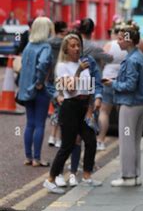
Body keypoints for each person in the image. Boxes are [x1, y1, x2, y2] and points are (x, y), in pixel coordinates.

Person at [43, 33, 103, 194]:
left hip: (83, 107)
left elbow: (88, 88)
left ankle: (87, 176)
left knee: (91, 141)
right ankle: (50, 179)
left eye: (78, 45)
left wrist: (90, 108)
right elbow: (69, 89)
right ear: (66, 49)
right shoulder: (62, 66)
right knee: (67, 146)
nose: (77, 48)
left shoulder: (84, 64)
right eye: (73, 46)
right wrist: (77, 71)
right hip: (70, 107)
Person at [102, 25, 143, 187]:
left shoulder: (131, 59)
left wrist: (112, 84)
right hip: (139, 103)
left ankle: (128, 177)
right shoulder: (138, 56)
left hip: (130, 104)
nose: (118, 41)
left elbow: (129, 85)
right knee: (134, 141)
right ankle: (135, 175)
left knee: (127, 141)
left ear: (128, 41)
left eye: (121, 39)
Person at [17, 17, 55, 167]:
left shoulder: (28, 46)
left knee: (30, 124)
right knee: (40, 124)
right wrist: (39, 82)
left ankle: (28, 157)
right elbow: (43, 64)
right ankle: (37, 159)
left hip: (26, 90)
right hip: (39, 90)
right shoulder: (45, 47)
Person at [97, 25, 127, 151]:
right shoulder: (127, 45)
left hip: (107, 79)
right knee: (123, 113)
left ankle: (101, 140)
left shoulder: (109, 45)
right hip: (122, 80)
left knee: (104, 112)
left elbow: (102, 61)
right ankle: (124, 141)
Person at [48, 21, 68, 148]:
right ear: (63, 30)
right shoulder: (66, 44)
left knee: (56, 107)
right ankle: (59, 138)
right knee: (63, 109)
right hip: (63, 77)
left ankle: (52, 136)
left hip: (50, 78)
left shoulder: (48, 43)